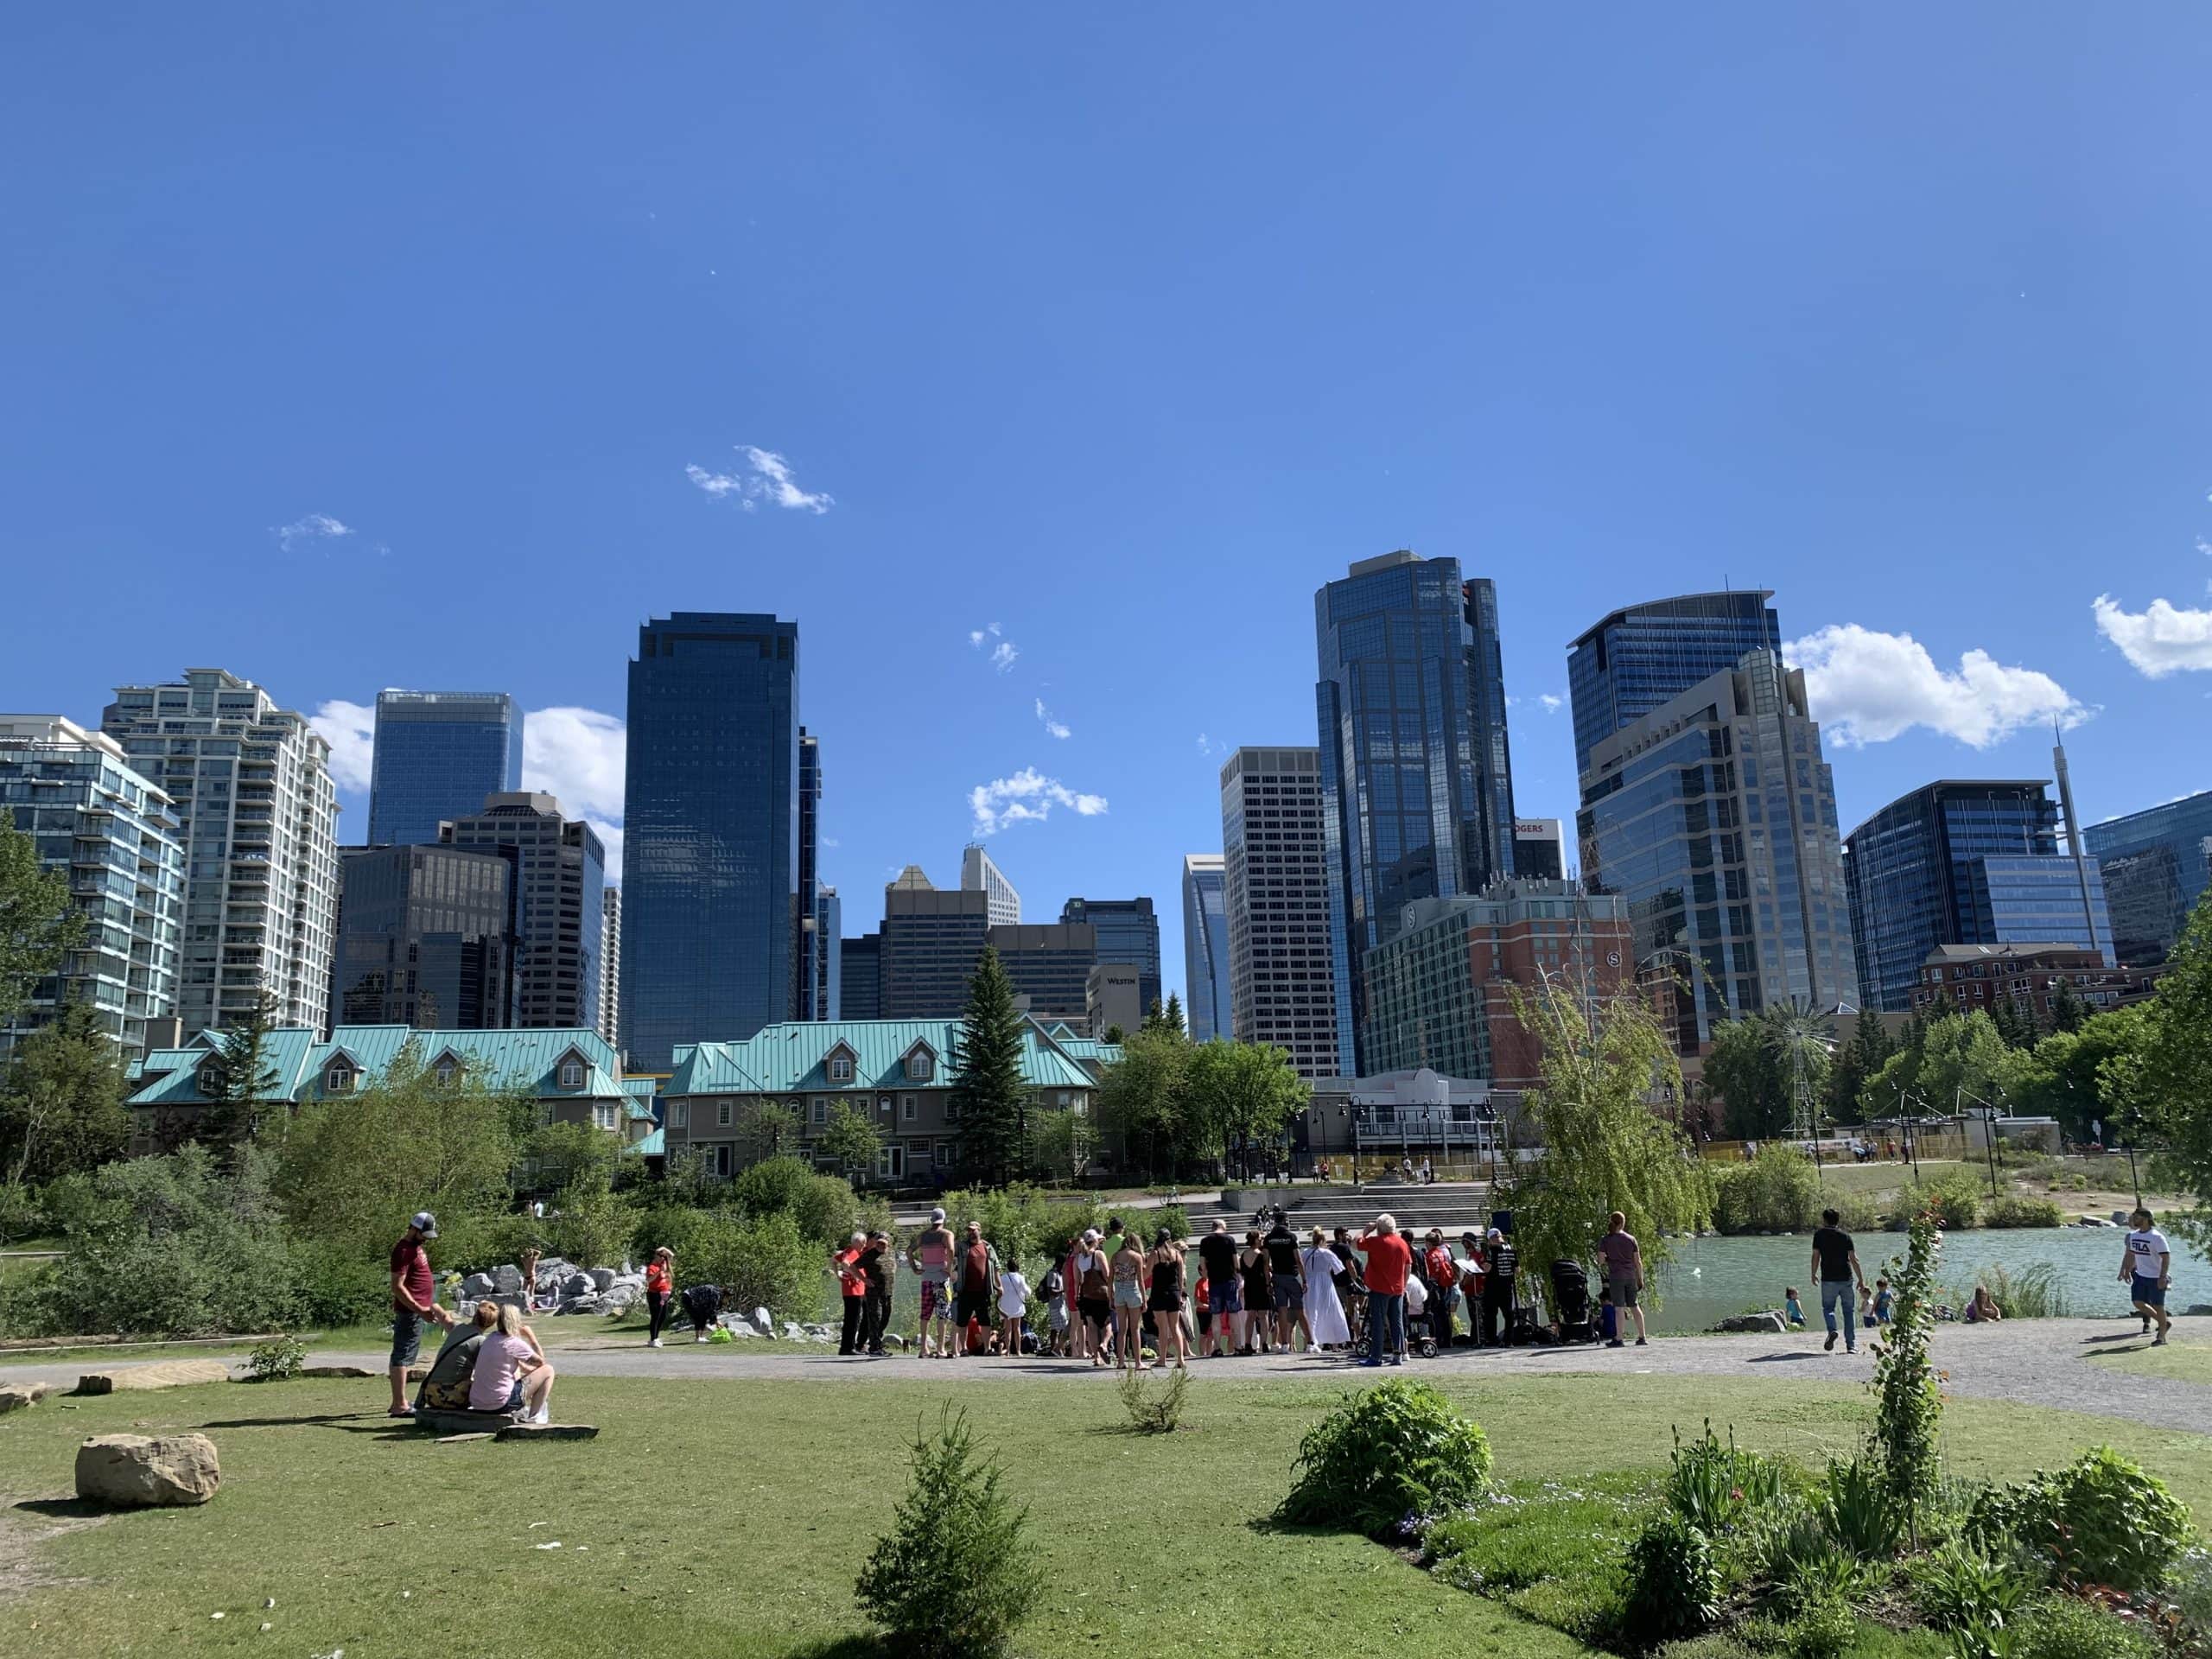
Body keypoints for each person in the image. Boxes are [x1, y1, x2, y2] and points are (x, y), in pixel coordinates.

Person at [388, 1211, 453, 1417]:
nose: (426, 1239)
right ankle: (400, 1405)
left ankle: (398, 1402)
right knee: (403, 1355)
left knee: (406, 1355)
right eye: (424, 1234)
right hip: (410, 1313)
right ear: (414, 1229)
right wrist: (420, 1309)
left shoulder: (415, 1247)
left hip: (418, 1312)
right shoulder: (403, 1251)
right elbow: (397, 1287)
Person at [470, 1302, 556, 1420]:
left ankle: (527, 1413)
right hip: (500, 1404)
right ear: (515, 1321)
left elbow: (507, 1364)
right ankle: (534, 1417)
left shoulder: (490, 1338)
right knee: (549, 1371)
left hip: (478, 1402)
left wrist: (528, 1370)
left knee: (515, 1374)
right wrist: (532, 1338)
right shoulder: (513, 1343)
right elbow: (541, 1364)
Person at [1809, 1207, 1866, 1355]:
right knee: (1849, 1311)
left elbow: (1816, 1256)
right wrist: (1861, 1280)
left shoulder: (1819, 1235)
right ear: (1837, 1220)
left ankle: (1833, 1330)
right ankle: (1851, 1346)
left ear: (1824, 1220)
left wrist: (1813, 1273)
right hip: (1846, 1278)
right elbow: (1854, 1260)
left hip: (1828, 1279)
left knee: (1828, 1309)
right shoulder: (1845, 1236)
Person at [1357, 1214, 1412, 1368]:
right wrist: (1404, 1284)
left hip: (1379, 1288)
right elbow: (1408, 1266)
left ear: (1379, 1228)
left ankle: (1376, 1356)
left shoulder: (1376, 1241)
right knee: (1397, 1322)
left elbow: (1356, 1243)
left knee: (1378, 1323)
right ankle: (1398, 1354)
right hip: (1398, 1288)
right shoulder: (1402, 1243)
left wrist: (1366, 1230)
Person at [2121, 1207, 2174, 1345]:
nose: (2133, 1220)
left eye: (2136, 1217)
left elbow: (2166, 1257)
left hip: (2156, 1277)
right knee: (2138, 1302)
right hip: (2140, 1276)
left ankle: (2161, 1337)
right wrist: (2127, 1270)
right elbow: (2131, 1254)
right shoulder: (2134, 1236)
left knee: (2158, 1306)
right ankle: (2164, 1322)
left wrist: (2162, 1277)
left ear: (2145, 1219)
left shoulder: (2157, 1237)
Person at [1597, 1211, 1648, 1348]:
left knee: (1619, 1308)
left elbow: (1601, 1260)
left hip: (1616, 1277)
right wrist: (1640, 1279)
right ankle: (1642, 1337)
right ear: (1623, 1223)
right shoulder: (1631, 1239)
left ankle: (1619, 1339)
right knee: (1634, 1306)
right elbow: (1638, 1261)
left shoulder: (1606, 1240)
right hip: (1631, 1276)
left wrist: (1611, 1259)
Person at [910, 1207, 956, 1358]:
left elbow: (909, 1251)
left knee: (925, 1314)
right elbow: (950, 1250)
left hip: (926, 1279)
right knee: (942, 1314)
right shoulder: (947, 1234)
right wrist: (949, 1268)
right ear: (943, 1219)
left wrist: (915, 1268)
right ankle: (940, 1349)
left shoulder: (923, 1236)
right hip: (941, 1279)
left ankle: (924, 1349)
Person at [1265, 1211, 1309, 1351]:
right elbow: (1298, 1259)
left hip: (1277, 1277)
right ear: (1285, 1221)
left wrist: (1268, 1282)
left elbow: (1266, 1262)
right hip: (1291, 1277)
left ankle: (1284, 1344)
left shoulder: (1268, 1238)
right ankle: (1310, 1344)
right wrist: (1304, 1280)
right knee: (1300, 1310)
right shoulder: (1291, 1237)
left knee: (1282, 1311)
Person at [1196, 1220, 1242, 1357]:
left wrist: (1207, 1275)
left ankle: (1217, 1347)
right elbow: (1236, 1262)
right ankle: (1238, 1346)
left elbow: (1202, 1264)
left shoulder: (1205, 1241)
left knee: (1215, 1315)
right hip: (1230, 1281)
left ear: (1212, 1227)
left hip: (1214, 1282)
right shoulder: (1230, 1240)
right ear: (1224, 1227)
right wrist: (1237, 1273)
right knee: (1233, 1313)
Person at [1146, 1228, 1189, 1370]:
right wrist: (1180, 1293)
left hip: (1159, 1293)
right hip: (1174, 1292)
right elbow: (1181, 1277)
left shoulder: (1156, 1253)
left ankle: (1162, 1359)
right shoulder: (1177, 1254)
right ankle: (1181, 1358)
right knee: (1175, 1326)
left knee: (1163, 1328)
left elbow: (1146, 1274)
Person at [1302, 1228, 1351, 1351]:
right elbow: (1339, 1268)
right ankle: (1335, 1343)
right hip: (1325, 1282)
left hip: (1309, 1282)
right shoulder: (1326, 1253)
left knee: (1311, 1312)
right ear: (1323, 1240)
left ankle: (1312, 1341)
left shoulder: (1305, 1252)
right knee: (1331, 1310)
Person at [1071, 1229, 1113, 1367]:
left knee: (1091, 1326)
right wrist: (1113, 1292)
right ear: (1095, 1240)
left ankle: (1097, 1358)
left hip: (1086, 1295)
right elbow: (1107, 1276)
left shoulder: (1078, 1258)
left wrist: (1077, 1295)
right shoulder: (1098, 1254)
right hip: (1101, 1294)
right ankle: (1104, 1344)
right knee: (1107, 1323)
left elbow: (1077, 1280)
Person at [1110, 1228, 1147, 1368]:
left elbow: (1110, 1279)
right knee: (1135, 1329)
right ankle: (1138, 1362)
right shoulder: (1137, 1257)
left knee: (1122, 1330)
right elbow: (1141, 1281)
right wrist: (1144, 1299)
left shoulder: (1115, 1257)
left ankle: (1121, 1362)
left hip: (1119, 1291)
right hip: (1132, 1291)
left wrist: (1110, 1298)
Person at [956, 1221, 994, 1350]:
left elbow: (996, 1266)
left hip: (983, 1290)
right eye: (969, 1231)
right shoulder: (962, 1246)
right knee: (962, 1321)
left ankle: (987, 1348)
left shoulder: (987, 1247)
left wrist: (999, 1286)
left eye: (973, 1230)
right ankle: (963, 1348)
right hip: (966, 1290)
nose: (971, 1233)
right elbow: (949, 1252)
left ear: (979, 1230)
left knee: (985, 1320)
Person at [858, 1229, 894, 1357]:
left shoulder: (890, 1254)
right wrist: (864, 1280)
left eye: (883, 1243)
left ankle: (877, 1344)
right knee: (875, 1318)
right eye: (878, 1243)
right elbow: (852, 1266)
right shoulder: (869, 1254)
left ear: (888, 1244)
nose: (880, 1246)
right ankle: (874, 1347)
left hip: (888, 1292)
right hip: (873, 1293)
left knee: (885, 1318)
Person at [1422, 1229, 1459, 1349]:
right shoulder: (1442, 1253)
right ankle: (1448, 1340)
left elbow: (1427, 1274)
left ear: (1429, 1243)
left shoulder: (1428, 1256)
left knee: (1435, 1314)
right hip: (1443, 1286)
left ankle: (1437, 1339)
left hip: (1433, 1287)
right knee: (1445, 1313)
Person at [1481, 1227, 1518, 1348]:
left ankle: (1491, 1340)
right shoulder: (1511, 1249)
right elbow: (1517, 1269)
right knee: (1508, 1314)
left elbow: (1488, 1268)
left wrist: (1482, 1265)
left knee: (1490, 1314)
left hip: (1493, 1287)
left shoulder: (1492, 1250)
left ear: (1491, 1239)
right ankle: (1508, 1340)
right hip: (1507, 1285)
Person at [1239, 1230, 1274, 1354]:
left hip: (1249, 1286)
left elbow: (1242, 1272)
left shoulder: (1243, 1255)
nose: (1261, 1240)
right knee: (1263, 1316)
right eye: (1259, 1238)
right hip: (1261, 1285)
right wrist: (1268, 1284)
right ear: (1254, 1239)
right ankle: (1264, 1343)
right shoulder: (1261, 1255)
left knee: (1250, 1316)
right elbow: (1266, 1271)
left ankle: (1248, 1344)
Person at [833, 1232, 868, 1356]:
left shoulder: (847, 1250)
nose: (864, 1245)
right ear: (856, 1242)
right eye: (862, 1243)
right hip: (854, 1290)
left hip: (850, 1290)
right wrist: (855, 1275)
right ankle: (849, 1348)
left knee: (850, 1319)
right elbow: (845, 1264)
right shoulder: (852, 1252)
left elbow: (833, 1260)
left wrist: (838, 1275)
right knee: (853, 1320)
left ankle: (846, 1347)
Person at [997, 1255, 1032, 1360]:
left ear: (1008, 1267)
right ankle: (1018, 1350)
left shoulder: (1002, 1278)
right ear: (1017, 1267)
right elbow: (1027, 1291)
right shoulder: (1020, 1277)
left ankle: (1007, 1350)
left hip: (1005, 1306)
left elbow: (998, 1291)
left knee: (1008, 1329)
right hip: (1017, 1305)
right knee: (1017, 1328)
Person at [645, 1246, 675, 1349]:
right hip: (654, 1294)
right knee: (655, 1317)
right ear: (656, 1256)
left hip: (664, 1294)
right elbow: (649, 1280)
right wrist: (659, 1272)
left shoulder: (664, 1264)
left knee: (662, 1317)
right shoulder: (652, 1267)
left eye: (664, 1256)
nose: (663, 1258)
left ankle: (656, 1338)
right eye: (661, 1256)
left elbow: (672, 1255)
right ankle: (653, 1339)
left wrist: (664, 1248)